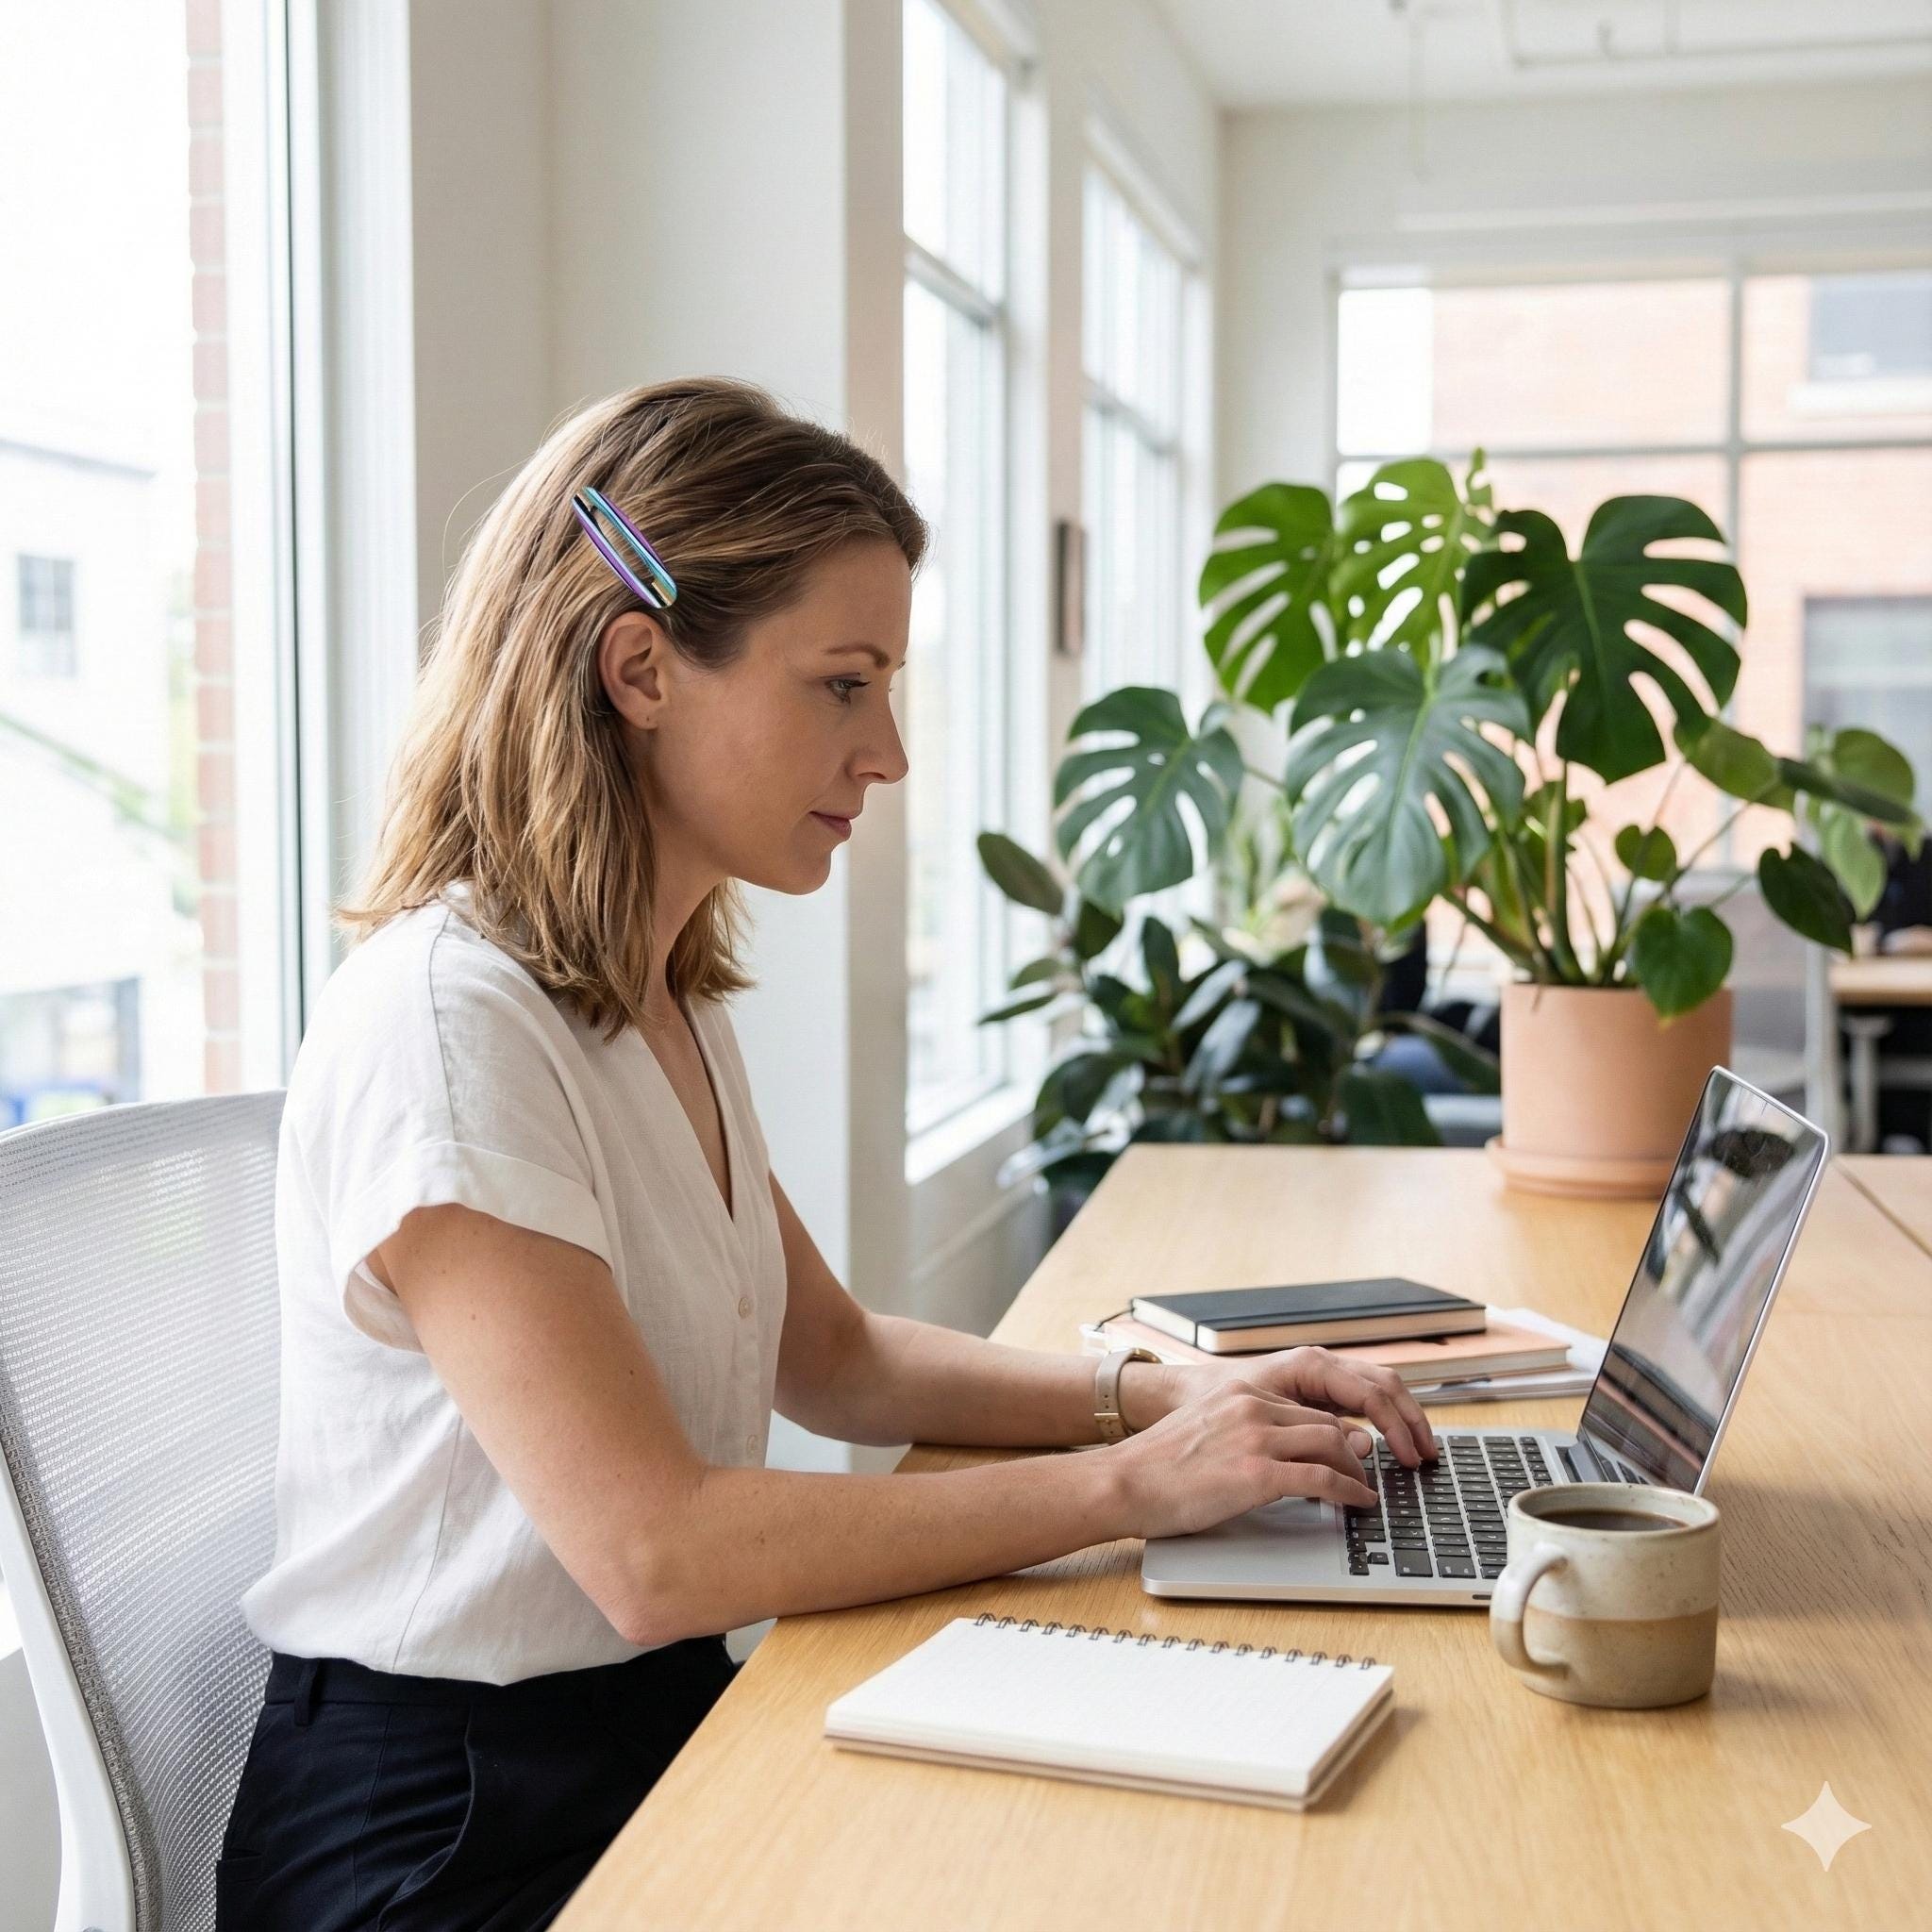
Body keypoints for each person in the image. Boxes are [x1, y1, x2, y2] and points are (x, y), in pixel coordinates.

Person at [214, 377, 1438, 1930]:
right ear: (641, 667)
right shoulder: (453, 1032)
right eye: (843, 685)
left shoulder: (649, 990)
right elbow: (656, 1551)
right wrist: (1132, 1484)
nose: (889, 756)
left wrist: (1176, 1396)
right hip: (442, 1838)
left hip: (639, 1731)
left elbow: (838, 1360)